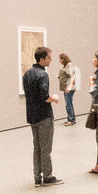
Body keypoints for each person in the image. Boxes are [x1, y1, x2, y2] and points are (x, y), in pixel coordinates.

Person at [23, 46, 62, 186]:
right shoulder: (43, 75)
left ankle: (37, 178)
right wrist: (55, 98)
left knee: (37, 148)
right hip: (44, 116)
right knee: (45, 148)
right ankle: (48, 176)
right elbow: (45, 97)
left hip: (32, 116)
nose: (51, 60)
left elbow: (30, 95)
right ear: (42, 59)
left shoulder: (27, 74)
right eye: (49, 57)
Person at [59, 53, 80, 126]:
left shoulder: (69, 65)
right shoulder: (66, 66)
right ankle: (70, 119)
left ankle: (71, 120)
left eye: (60, 59)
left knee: (68, 104)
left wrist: (69, 87)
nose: (59, 61)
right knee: (69, 104)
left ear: (63, 59)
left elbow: (72, 76)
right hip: (66, 88)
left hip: (69, 88)